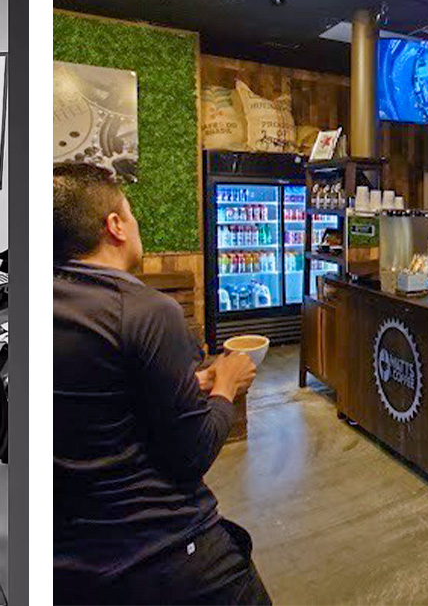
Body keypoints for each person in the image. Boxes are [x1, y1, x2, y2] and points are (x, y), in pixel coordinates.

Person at [53, 162, 270, 605]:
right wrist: (226, 385)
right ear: (115, 226)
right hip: (164, 550)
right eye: (131, 215)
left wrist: (188, 380)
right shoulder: (146, 310)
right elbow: (193, 453)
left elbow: (104, 396)